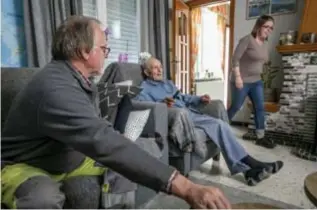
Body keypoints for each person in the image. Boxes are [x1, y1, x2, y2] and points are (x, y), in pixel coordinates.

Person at [1, 15, 232, 209]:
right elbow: (102, 141)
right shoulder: (55, 88)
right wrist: (186, 187)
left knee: (138, 150)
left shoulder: (79, 80)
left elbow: (96, 127)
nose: (106, 53)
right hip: (23, 165)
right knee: (43, 197)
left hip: (68, 155)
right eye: (103, 48)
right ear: (84, 51)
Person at [134, 55, 284, 187]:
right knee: (219, 125)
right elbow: (143, 107)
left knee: (220, 124)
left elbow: (184, 97)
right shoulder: (144, 89)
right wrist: (161, 104)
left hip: (191, 113)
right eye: (155, 68)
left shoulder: (168, 83)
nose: (160, 70)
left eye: (160, 67)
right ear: (147, 72)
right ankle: (253, 165)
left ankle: (249, 171)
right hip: (178, 118)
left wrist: (199, 98)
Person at [227, 15, 275, 149]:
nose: (269, 30)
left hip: (256, 81)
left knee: (260, 108)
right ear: (259, 26)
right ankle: (220, 128)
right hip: (241, 80)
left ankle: (261, 137)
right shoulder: (247, 40)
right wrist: (237, 77)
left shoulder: (265, 44)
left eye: (271, 28)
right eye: (266, 27)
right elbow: (235, 59)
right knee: (236, 107)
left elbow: (263, 61)